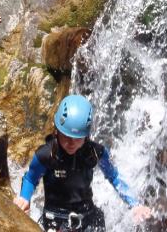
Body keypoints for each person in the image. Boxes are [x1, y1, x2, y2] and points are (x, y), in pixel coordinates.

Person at [13, 95, 152, 232]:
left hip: (87, 218)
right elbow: (31, 178)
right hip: (57, 219)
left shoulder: (95, 153)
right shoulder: (46, 155)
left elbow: (114, 177)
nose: (71, 143)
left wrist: (135, 204)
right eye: (66, 136)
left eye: (77, 138)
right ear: (57, 131)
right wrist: (24, 198)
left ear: (86, 135)